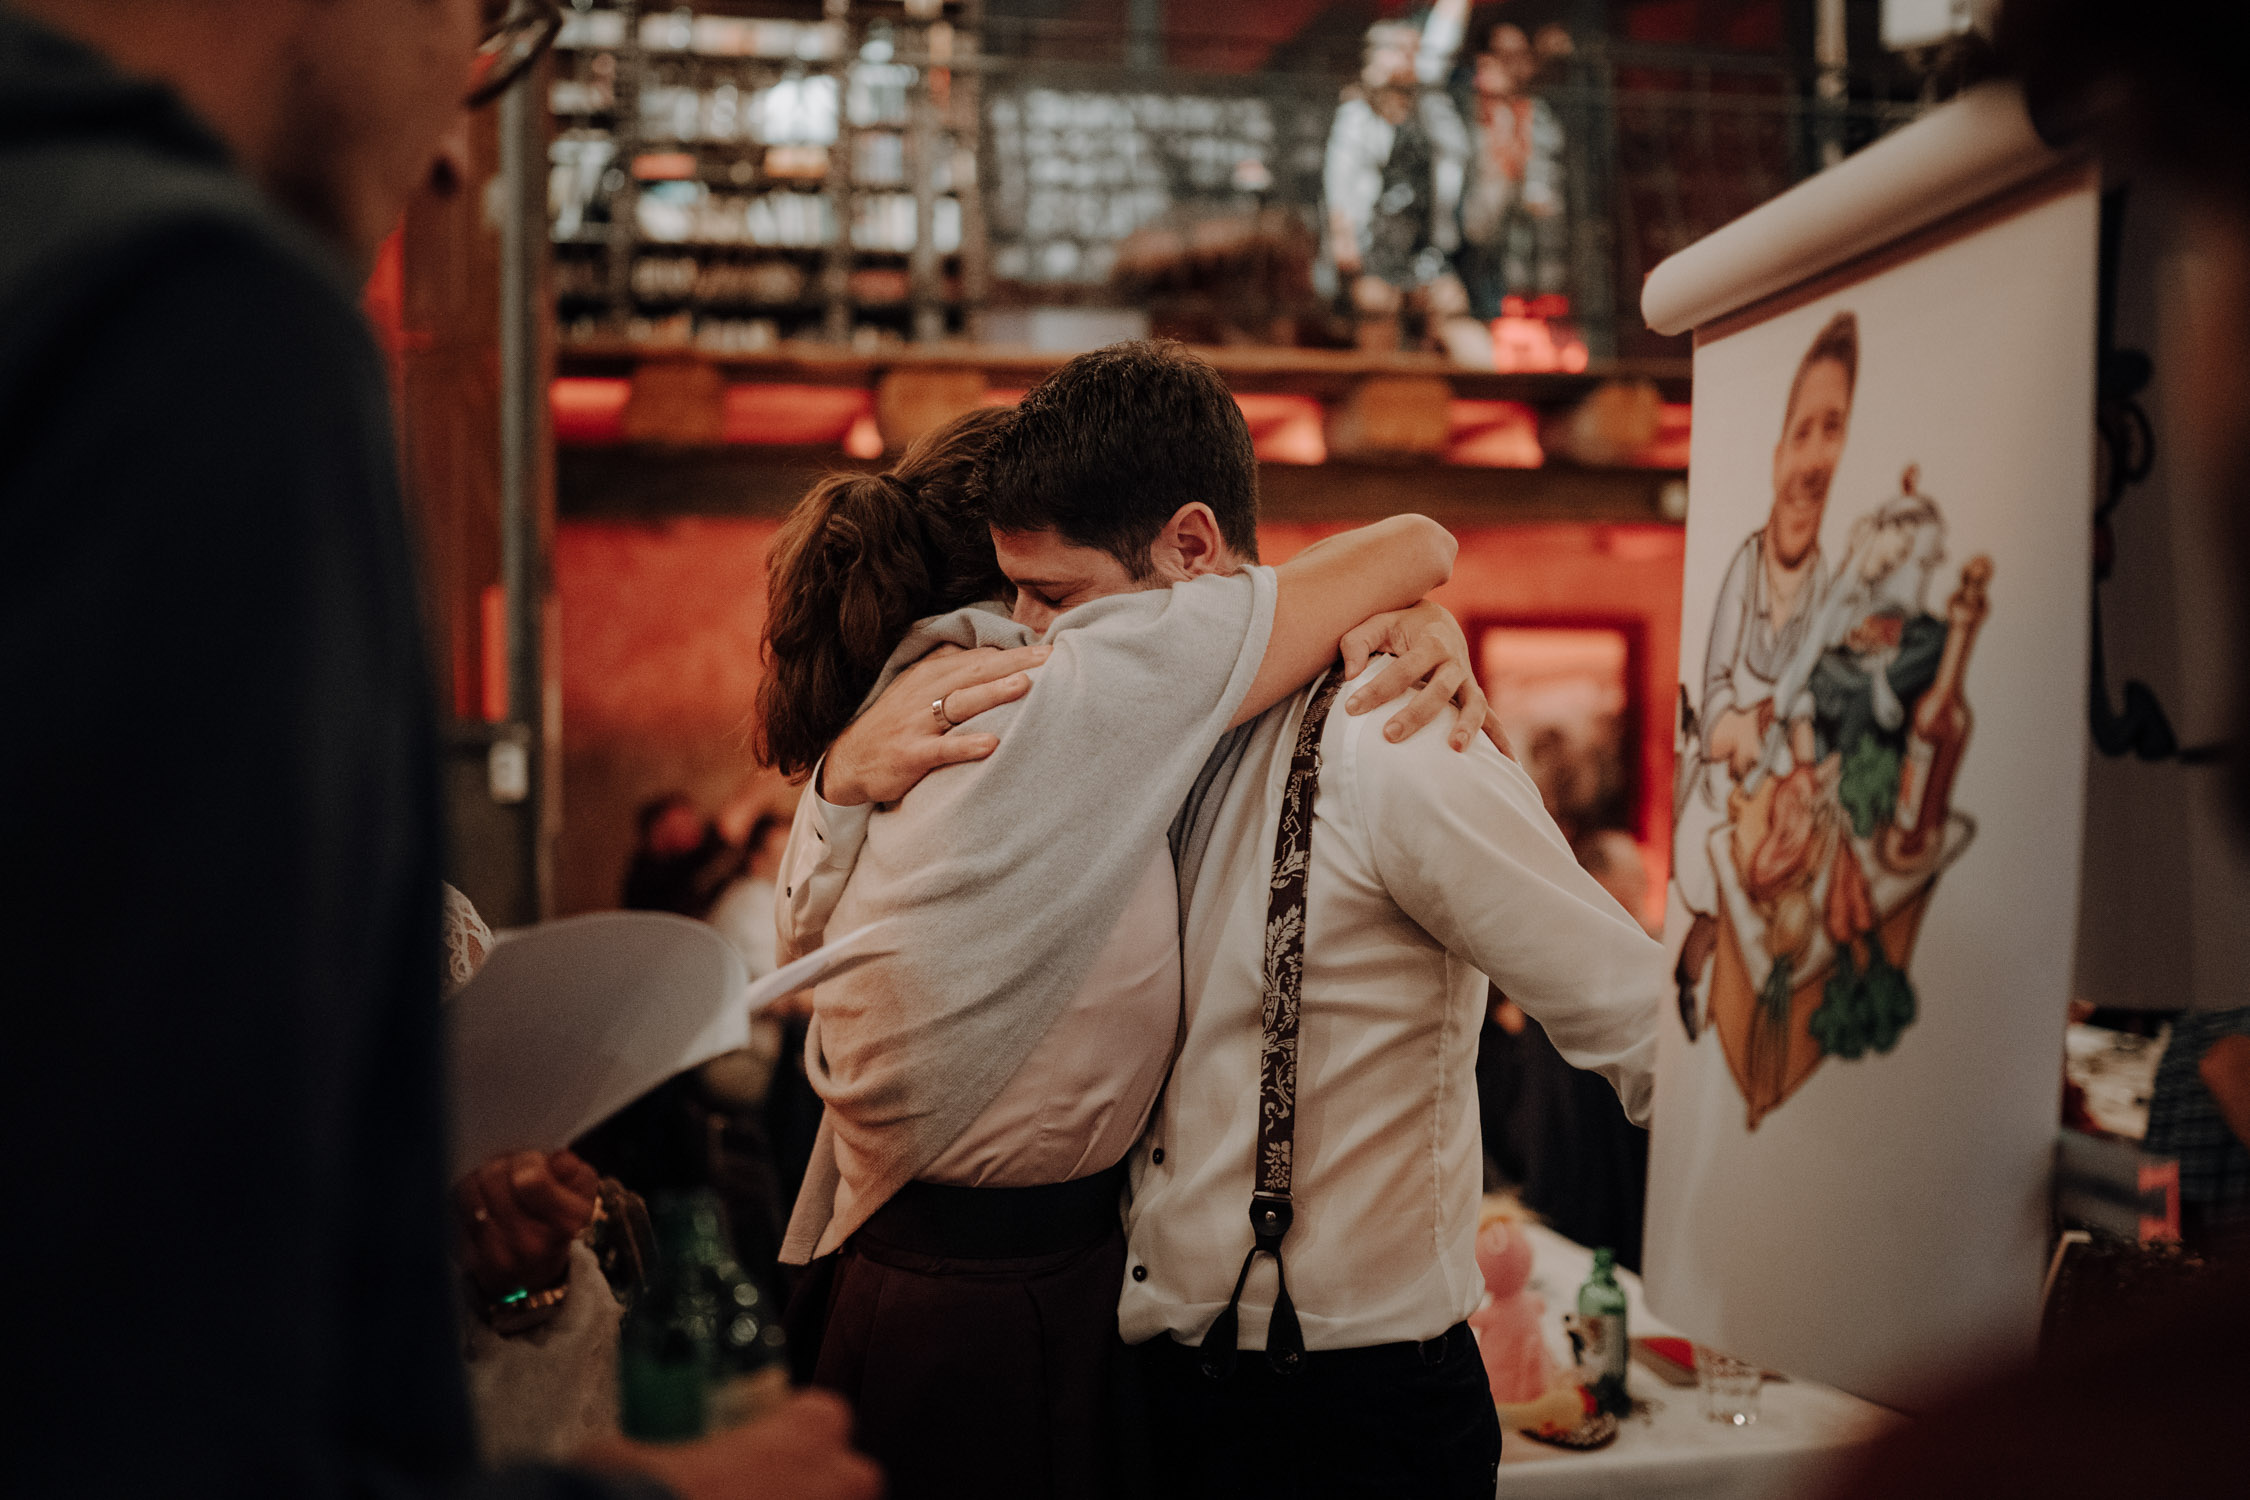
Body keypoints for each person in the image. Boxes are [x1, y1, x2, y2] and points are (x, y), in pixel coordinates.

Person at [0, 5, 872, 1497]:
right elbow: (153, 1419)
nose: (462, 147)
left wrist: (477, 1266)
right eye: (478, 20)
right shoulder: (179, 321)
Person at [810, 341, 1663, 1498]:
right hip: (1157, 1397)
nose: (1034, 636)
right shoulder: (1117, 755)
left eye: (1058, 598)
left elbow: (1639, 1020)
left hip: (1351, 1415)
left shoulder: (1394, 742)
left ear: (1192, 547)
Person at [1672, 309, 1858, 1037]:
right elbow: (1713, 691)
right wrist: (1741, 727)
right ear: (1778, 453)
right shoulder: (1744, 565)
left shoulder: (1830, 580)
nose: (1813, 459)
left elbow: (1814, 707)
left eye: (1832, 430)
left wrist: (1805, 761)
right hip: (1720, 794)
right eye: (1802, 433)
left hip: (1782, 804)